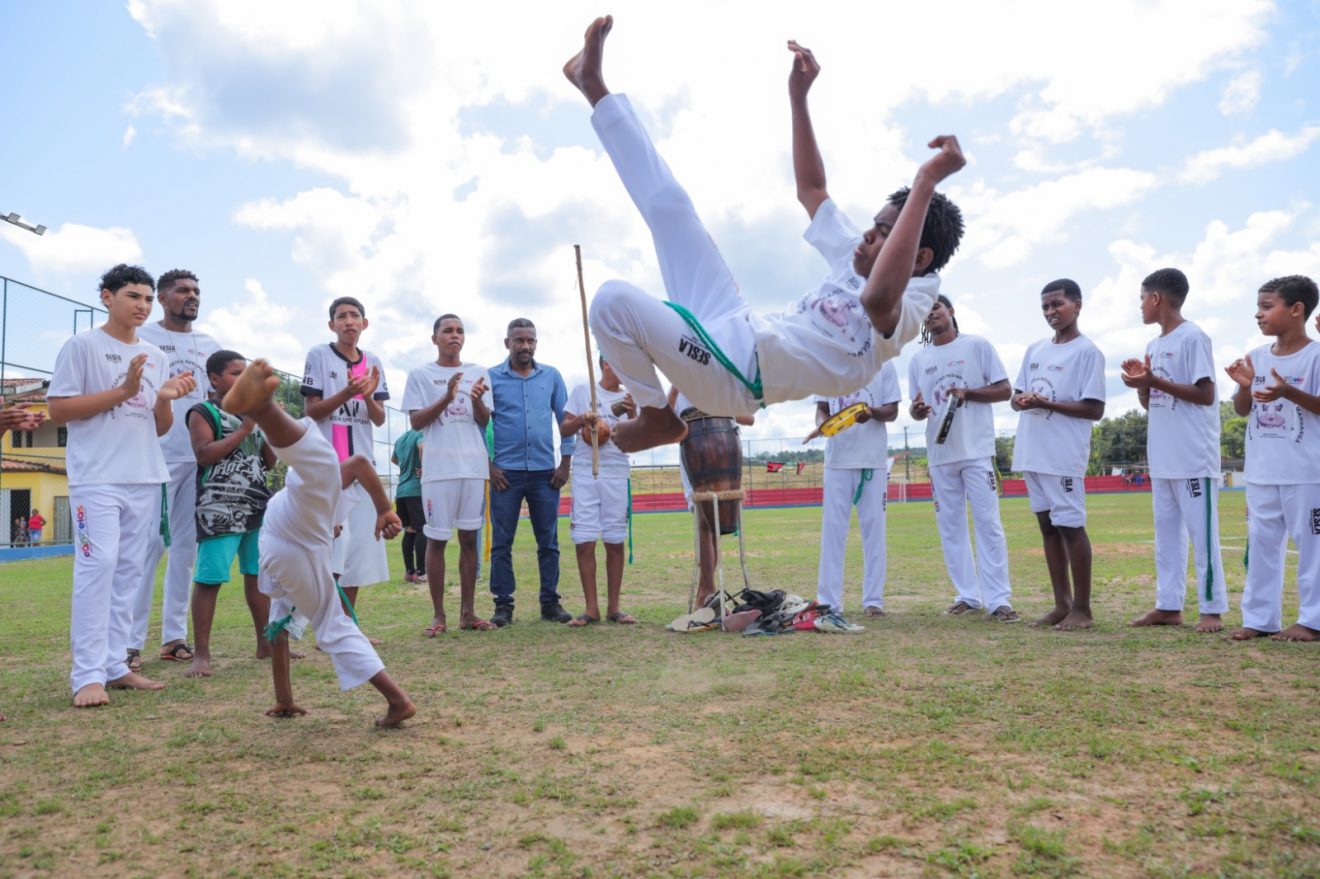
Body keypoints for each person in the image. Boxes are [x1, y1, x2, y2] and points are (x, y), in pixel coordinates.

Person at [566, 17, 965, 454]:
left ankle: (658, 417)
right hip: (736, 323)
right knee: (671, 208)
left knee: (611, 302)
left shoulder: (911, 302)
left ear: (919, 258)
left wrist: (925, 182)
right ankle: (592, 85)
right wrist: (798, 99)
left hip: (736, 375)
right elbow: (812, 190)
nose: (867, 235)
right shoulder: (856, 254)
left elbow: (876, 300)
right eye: (874, 225)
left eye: (883, 233)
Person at [219, 358, 415, 727]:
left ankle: (284, 699)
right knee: (333, 623)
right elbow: (357, 461)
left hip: (284, 534)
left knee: (282, 618)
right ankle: (398, 700)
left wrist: (381, 512)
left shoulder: (325, 510)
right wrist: (384, 510)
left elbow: (358, 464)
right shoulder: (329, 498)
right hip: (292, 534)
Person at [47, 263, 198, 708]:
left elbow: (156, 426)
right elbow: (59, 411)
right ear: (106, 296)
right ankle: (87, 675)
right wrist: (124, 388)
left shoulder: (157, 356)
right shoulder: (82, 346)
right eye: (134, 296)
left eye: (148, 298)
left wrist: (163, 398)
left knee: (131, 574)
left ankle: (116, 665)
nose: (143, 305)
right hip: (97, 478)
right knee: (99, 568)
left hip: (146, 476)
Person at [1122, 268, 1228, 633]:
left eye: (1141, 298)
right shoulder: (1154, 346)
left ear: (1156, 299)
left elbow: (1206, 394)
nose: (1139, 306)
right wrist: (1142, 384)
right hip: (1163, 457)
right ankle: (1168, 605)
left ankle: (1212, 608)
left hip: (1192, 457)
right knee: (1166, 536)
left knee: (1203, 536)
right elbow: (1153, 402)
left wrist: (1153, 380)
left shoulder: (1192, 337)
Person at [131, 269, 222, 668]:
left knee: (186, 548)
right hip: (156, 453)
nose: (192, 297)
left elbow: (217, 397)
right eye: (183, 291)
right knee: (148, 546)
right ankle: (129, 643)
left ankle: (174, 638)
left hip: (197, 456)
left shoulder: (210, 344)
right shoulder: (144, 338)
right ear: (163, 298)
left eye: (196, 291)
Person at [909, 295, 1019, 622]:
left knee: (988, 525)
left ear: (951, 311)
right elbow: (916, 408)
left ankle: (999, 600)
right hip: (940, 455)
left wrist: (968, 393)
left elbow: (1004, 390)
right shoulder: (919, 359)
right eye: (925, 314)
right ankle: (967, 596)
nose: (931, 316)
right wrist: (916, 411)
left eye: (936, 309)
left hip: (975, 451)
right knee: (951, 527)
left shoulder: (977, 346)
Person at [1225, 275, 1320, 642]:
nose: (1258, 315)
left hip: (1306, 473)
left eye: (1267, 307)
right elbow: (1242, 410)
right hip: (1263, 471)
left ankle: (1312, 621)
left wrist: (1289, 392)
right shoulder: (1257, 356)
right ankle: (1260, 618)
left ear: (1296, 310)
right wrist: (1246, 387)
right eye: (1258, 307)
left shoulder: (1315, 355)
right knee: (1262, 546)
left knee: (1312, 547)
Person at [1010, 279, 1106, 630]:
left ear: (1077, 306)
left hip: (1062, 454)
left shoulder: (1087, 352)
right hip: (1032, 452)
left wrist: (1046, 402)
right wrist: (1021, 400)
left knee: (1071, 527)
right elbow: (1016, 395)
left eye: (1057, 305)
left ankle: (1083, 608)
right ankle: (1061, 604)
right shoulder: (1035, 349)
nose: (1051, 312)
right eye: (1045, 307)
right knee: (1048, 528)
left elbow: (1094, 408)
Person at [183, 350, 279, 677]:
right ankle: (202, 655)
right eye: (235, 373)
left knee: (259, 577)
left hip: (256, 507)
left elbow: (269, 462)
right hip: (219, 509)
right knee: (210, 580)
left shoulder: (253, 413)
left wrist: (264, 422)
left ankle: (266, 643)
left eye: (246, 374)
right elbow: (204, 455)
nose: (242, 379)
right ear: (214, 379)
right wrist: (243, 429)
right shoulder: (203, 412)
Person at [402, 314, 495, 634]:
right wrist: (446, 396)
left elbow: (483, 422)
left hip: (472, 467)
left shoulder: (478, 373)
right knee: (437, 539)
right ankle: (439, 615)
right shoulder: (420, 375)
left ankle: (468, 613)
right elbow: (416, 423)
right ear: (435, 338)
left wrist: (477, 400)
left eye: (459, 331)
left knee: (469, 538)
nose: (454, 336)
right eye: (447, 331)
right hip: (439, 470)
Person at [301, 297, 391, 626]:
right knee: (331, 552)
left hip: (364, 470)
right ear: (332, 325)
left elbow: (379, 419)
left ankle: (347, 627)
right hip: (331, 469)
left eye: (355, 316)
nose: (349, 321)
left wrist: (366, 392)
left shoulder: (373, 361)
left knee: (358, 556)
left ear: (365, 323)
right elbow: (311, 411)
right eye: (341, 316)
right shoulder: (320, 355)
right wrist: (346, 392)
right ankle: (326, 625)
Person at [487, 318, 575, 626]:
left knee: (548, 540)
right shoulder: (491, 378)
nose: (525, 345)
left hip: (544, 472)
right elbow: (480, 425)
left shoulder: (551, 376)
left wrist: (565, 463)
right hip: (504, 474)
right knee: (501, 541)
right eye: (519, 340)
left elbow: (566, 421)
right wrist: (490, 465)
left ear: (536, 343)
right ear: (507, 342)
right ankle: (503, 604)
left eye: (531, 340)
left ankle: (550, 602)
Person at [804, 363, 900, 619]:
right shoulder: (827, 363)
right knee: (833, 533)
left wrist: (871, 412)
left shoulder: (884, 365)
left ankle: (873, 600)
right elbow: (821, 409)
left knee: (874, 532)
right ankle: (829, 601)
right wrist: (827, 426)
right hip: (837, 462)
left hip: (873, 461)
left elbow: (892, 411)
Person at [561, 356, 637, 626]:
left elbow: (636, 437)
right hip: (585, 471)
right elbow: (564, 428)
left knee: (615, 540)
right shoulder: (584, 391)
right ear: (607, 364)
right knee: (584, 540)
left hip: (616, 472)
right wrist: (583, 419)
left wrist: (633, 415)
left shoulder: (630, 397)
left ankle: (614, 608)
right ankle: (591, 608)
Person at [669, 386, 754, 610]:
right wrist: (675, 390)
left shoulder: (719, 378)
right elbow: (667, 424)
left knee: (712, 524)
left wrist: (717, 406)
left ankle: (706, 591)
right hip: (694, 452)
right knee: (704, 522)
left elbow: (749, 417)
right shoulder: (677, 380)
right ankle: (707, 590)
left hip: (724, 448)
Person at [391, 427, 426, 584]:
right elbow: (422, 447)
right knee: (422, 530)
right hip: (416, 489)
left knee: (409, 531)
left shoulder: (400, 439)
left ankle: (409, 571)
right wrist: (425, 468)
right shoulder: (421, 434)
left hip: (401, 491)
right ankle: (421, 572)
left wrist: (405, 469)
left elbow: (394, 459)